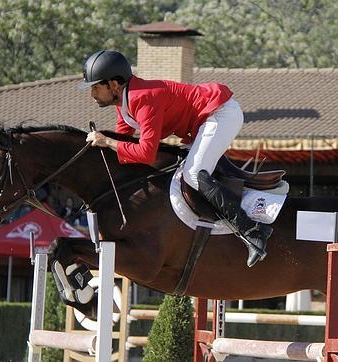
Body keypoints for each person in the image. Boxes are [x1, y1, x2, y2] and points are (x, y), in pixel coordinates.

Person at [80, 50, 271, 267]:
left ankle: (253, 231)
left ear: (114, 85)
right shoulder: (123, 105)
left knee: (192, 174)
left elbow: (145, 153)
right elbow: (122, 141)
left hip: (219, 114)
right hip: (202, 123)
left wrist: (107, 142)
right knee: (181, 169)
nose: (92, 94)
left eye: (95, 87)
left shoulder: (142, 98)